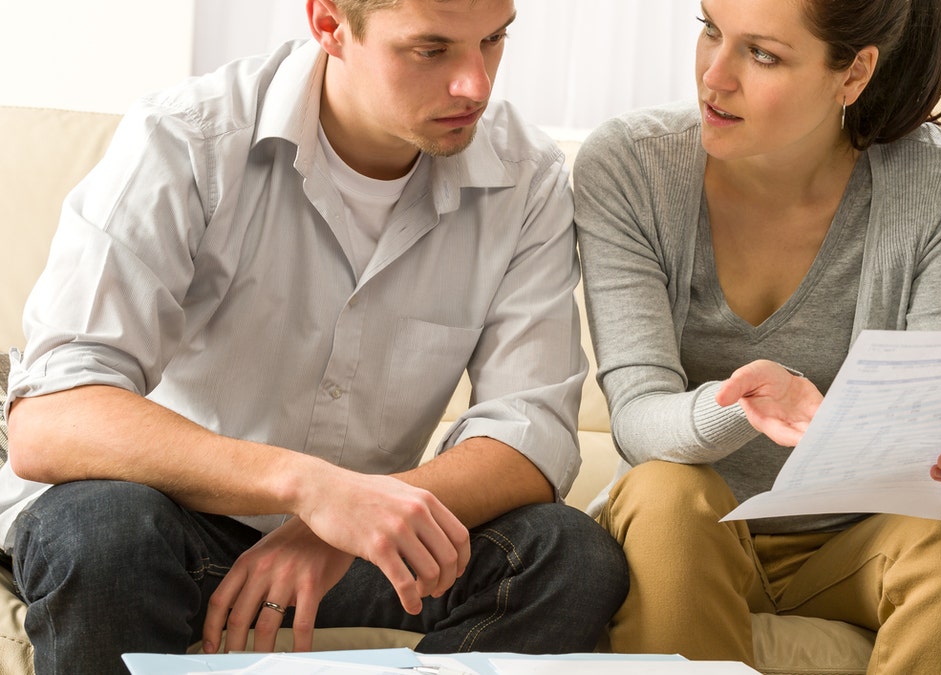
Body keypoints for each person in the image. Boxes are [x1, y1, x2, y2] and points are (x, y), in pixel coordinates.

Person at [0, 1, 629, 673]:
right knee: (101, 529)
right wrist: (311, 489)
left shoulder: (525, 177)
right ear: (330, 26)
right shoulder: (186, 137)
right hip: (165, 528)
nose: (475, 83)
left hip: (362, 547)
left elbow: (529, 435)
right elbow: (52, 419)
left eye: (494, 40)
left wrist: (341, 530)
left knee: (569, 555)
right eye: (431, 49)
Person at [572, 0, 941, 672]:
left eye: (761, 54)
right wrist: (744, 403)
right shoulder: (629, 166)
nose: (714, 75)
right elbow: (640, 418)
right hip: (691, 535)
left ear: (853, 75)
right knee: (667, 491)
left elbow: (936, 415)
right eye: (710, 30)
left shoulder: (939, 181)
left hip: (856, 545)